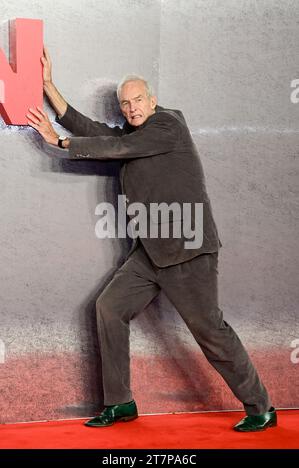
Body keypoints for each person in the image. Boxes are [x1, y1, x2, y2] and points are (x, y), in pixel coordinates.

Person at [26, 47, 277, 432]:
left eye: (137, 100)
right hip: (151, 251)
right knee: (110, 308)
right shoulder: (135, 132)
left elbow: (117, 147)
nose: (131, 108)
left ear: (153, 100)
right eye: (125, 104)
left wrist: (58, 142)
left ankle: (260, 406)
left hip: (187, 249)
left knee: (210, 332)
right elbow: (100, 134)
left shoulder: (168, 126)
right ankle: (120, 403)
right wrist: (49, 87)